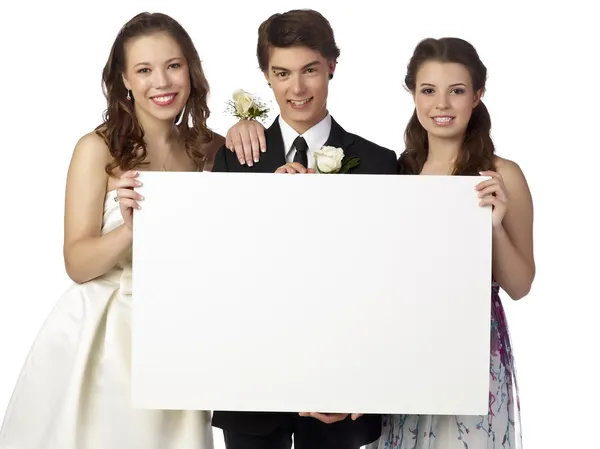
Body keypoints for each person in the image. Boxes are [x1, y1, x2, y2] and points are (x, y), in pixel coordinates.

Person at [225, 35, 534, 449]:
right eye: (428, 91)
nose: (441, 104)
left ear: (477, 95)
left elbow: (520, 285)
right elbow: (368, 276)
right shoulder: (397, 172)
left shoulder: (500, 174)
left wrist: (493, 226)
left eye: (456, 91)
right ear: (413, 94)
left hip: (468, 347)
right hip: (402, 347)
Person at [0, 12, 224, 449]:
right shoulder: (96, 148)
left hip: (179, 331)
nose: (161, 82)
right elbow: (77, 263)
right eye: (144, 70)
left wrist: (247, 126)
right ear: (124, 79)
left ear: (191, 71)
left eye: (173, 66)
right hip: (106, 337)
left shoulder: (207, 148)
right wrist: (130, 231)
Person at [211, 8, 397, 449]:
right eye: (282, 73)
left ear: (333, 65)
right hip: (251, 382)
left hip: (341, 387)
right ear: (266, 75)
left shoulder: (378, 163)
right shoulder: (234, 157)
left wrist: (356, 378)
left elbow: (383, 282)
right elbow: (221, 266)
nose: (296, 88)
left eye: (310, 70)